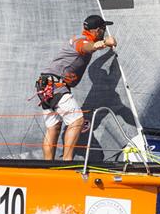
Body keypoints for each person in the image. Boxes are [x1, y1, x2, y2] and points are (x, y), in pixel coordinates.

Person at [36, 14, 117, 161]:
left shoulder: (79, 38)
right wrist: (105, 43)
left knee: (53, 127)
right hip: (55, 86)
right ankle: (66, 163)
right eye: (103, 29)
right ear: (97, 31)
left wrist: (107, 54)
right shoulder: (82, 41)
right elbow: (86, 48)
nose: (104, 32)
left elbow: (95, 65)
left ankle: (47, 167)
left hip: (44, 85)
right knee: (77, 120)